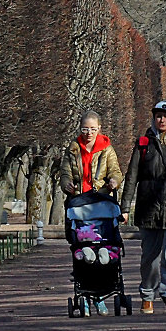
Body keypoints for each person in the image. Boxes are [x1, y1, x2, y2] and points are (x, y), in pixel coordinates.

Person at [119, 100, 166, 314]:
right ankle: (148, 294)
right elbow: (131, 176)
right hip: (148, 206)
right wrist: (125, 207)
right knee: (150, 257)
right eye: (158, 115)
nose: (161, 119)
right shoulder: (143, 143)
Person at [60, 110, 123, 315]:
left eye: (93, 129)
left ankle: (99, 296)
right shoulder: (72, 149)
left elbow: (115, 170)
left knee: (102, 247)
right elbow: (65, 172)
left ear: (99, 129)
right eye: (85, 129)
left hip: (100, 203)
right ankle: (86, 296)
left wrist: (114, 181)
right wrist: (66, 183)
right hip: (79, 205)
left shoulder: (107, 149)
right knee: (83, 249)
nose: (88, 133)